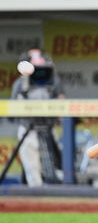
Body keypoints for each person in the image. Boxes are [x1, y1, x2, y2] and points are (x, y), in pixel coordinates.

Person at [10, 48, 65, 186]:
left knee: (55, 169)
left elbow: (62, 104)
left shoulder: (53, 82)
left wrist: (61, 116)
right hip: (28, 129)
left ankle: (56, 201)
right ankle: (36, 201)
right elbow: (11, 111)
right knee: (32, 170)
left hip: (49, 129)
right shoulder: (21, 83)